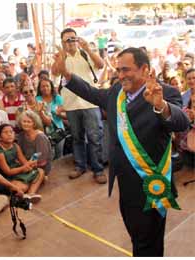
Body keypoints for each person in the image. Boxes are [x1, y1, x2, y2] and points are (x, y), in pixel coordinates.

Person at [53, 46, 189, 256]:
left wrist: (161, 105)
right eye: (118, 70)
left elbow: (181, 122)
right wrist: (67, 74)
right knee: (138, 235)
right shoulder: (117, 91)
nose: (121, 75)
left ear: (145, 69)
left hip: (150, 183)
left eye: (126, 70)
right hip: (124, 181)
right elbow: (93, 93)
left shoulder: (164, 93)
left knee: (147, 240)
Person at [51, 28, 106, 184]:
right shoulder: (61, 57)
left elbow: (101, 65)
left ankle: (98, 169)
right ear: (62, 42)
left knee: (95, 137)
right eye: (67, 40)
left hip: (90, 102)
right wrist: (60, 58)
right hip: (71, 104)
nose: (71, 42)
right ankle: (80, 166)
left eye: (73, 38)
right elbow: (54, 72)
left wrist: (87, 48)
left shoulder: (85, 53)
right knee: (77, 138)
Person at [0, 124, 44, 202]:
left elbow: (24, 162)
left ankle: (30, 194)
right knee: (22, 187)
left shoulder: (15, 146)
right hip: (6, 178)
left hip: (17, 172)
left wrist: (30, 165)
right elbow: (8, 172)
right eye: (5, 132)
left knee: (40, 171)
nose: (9, 134)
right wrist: (24, 168)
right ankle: (29, 187)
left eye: (11, 132)